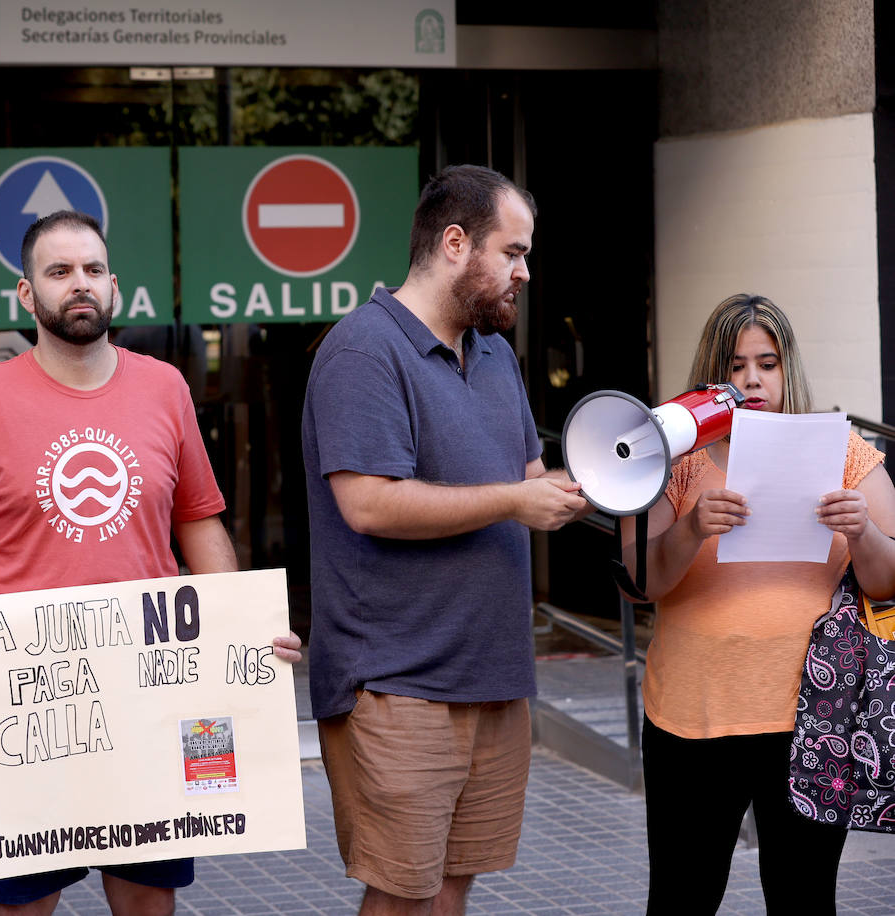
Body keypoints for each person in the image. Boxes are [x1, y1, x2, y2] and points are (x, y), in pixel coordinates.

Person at [0, 209, 302, 916]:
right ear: (27, 296)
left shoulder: (165, 388)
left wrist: (242, 632)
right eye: (58, 272)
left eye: (92, 270)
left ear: (114, 285)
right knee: (23, 906)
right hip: (26, 699)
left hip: (150, 693)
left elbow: (199, 525)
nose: (78, 284)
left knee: (147, 899)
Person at [301, 164, 588, 916]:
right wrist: (515, 500)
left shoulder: (494, 354)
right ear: (455, 242)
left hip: (493, 673)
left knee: (455, 885)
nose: (526, 272)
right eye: (514, 252)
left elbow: (530, 478)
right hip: (396, 679)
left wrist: (622, 469)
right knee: (402, 892)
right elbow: (367, 504)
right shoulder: (363, 350)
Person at [623, 293, 895, 914]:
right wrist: (690, 529)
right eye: (735, 365)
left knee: (804, 900)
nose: (751, 379)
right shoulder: (673, 459)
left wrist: (864, 533)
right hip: (694, 720)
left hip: (812, 725)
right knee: (680, 899)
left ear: (786, 368)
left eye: (766, 363)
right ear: (711, 375)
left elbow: (888, 581)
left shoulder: (845, 452)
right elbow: (638, 582)